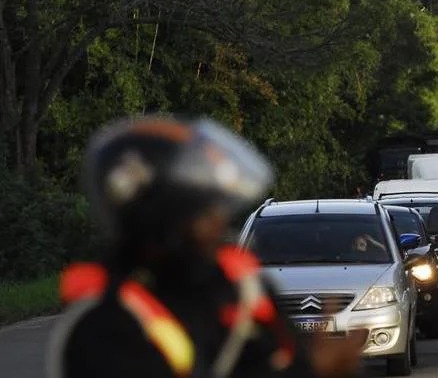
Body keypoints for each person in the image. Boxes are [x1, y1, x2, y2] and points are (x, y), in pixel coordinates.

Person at [47, 116, 365, 378]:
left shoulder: (232, 290)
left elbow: (265, 363)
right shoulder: (107, 325)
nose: (220, 224)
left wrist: (313, 367)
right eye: (205, 212)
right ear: (160, 218)